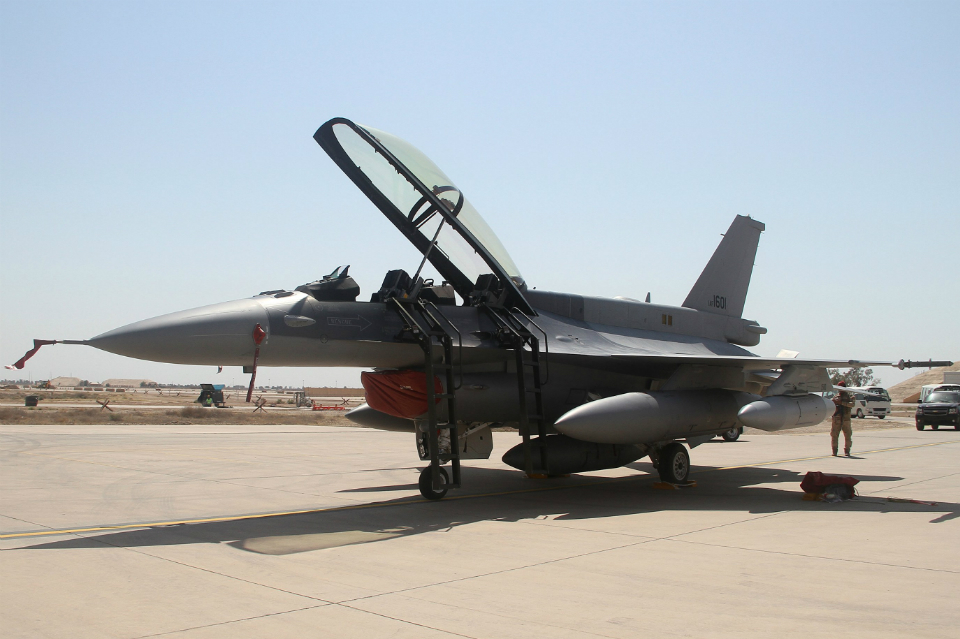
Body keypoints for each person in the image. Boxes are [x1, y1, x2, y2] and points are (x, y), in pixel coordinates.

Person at [831, 381, 854, 456]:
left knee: (848, 435)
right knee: (834, 435)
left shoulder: (849, 396)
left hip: (846, 419)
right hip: (836, 419)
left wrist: (842, 403)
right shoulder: (836, 396)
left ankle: (847, 450)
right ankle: (834, 451)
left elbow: (852, 404)